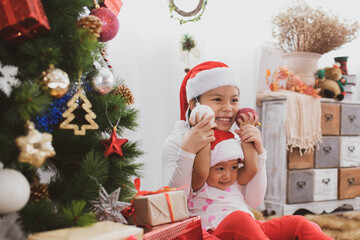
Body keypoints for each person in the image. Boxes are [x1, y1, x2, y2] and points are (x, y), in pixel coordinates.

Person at [162, 61, 333, 239]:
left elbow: (253, 201)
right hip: (208, 230)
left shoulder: (235, 141)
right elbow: (174, 207)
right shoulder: (178, 141)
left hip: (247, 225)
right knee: (240, 220)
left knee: (299, 224)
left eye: (234, 100)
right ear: (194, 104)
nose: (228, 108)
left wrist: (260, 154)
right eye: (217, 99)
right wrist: (187, 151)